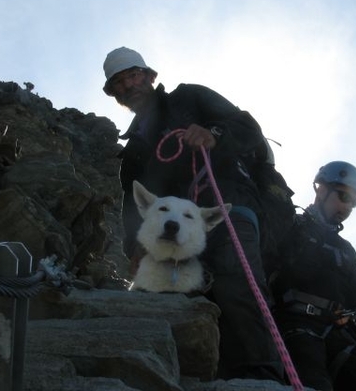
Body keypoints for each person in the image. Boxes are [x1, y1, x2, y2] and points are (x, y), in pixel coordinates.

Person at [101, 46, 284, 382]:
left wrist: (213, 135)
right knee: (190, 299)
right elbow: (133, 203)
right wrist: (135, 248)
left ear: (150, 76)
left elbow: (246, 126)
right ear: (115, 95)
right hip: (176, 233)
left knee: (236, 283)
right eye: (119, 84)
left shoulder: (191, 98)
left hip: (226, 202)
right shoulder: (133, 153)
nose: (129, 86)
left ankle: (262, 377)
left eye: (133, 75)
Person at [268, 161, 356, 390]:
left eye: (354, 203)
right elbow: (263, 266)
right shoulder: (291, 224)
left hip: (341, 331)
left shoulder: (346, 250)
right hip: (295, 323)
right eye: (343, 196)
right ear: (321, 188)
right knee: (314, 382)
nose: (347, 207)